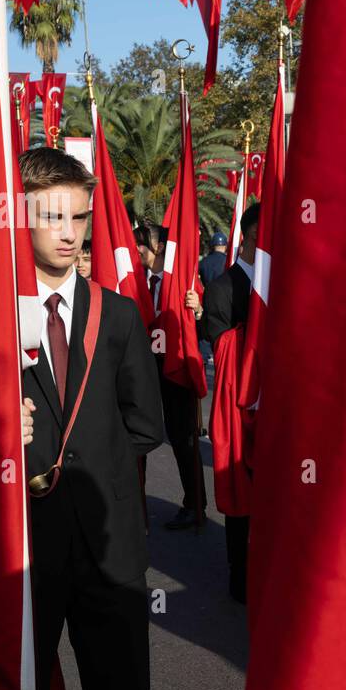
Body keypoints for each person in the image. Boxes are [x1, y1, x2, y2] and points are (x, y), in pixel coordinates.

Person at [14, 148, 164, 690]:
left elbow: (145, 424)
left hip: (109, 548)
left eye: (79, 217)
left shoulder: (120, 315)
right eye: (53, 217)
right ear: (21, 217)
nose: (70, 233)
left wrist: (90, 469)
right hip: (23, 550)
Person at [203, 204, 260, 603]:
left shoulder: (284, 282)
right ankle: (239, 575)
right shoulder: (224, 287)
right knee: (242, 500)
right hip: (241, 408)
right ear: (250, 235)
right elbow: (220, 344)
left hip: (279, 407)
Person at [141, 223, 207, 531]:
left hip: (174, 369)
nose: (137, 247)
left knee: (182, 439)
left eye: (143, 242)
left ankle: (194, 503)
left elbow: (204, 328)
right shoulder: (133, 279)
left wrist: (198, 312)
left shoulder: (183, 283)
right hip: (142, 368)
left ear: (160, 248)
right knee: (134, 436)